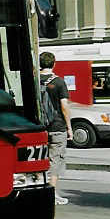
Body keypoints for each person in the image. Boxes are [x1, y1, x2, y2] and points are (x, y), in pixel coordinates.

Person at [39, 52, 73, 205]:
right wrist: (69, 127)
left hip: (38, 128)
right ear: (54, 63)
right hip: (57, 126)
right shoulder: (59, 82)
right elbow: (64, 107)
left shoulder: (34, 80)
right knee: (55, 160)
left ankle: (40, 189)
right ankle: (51, 194)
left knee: (40, 159)